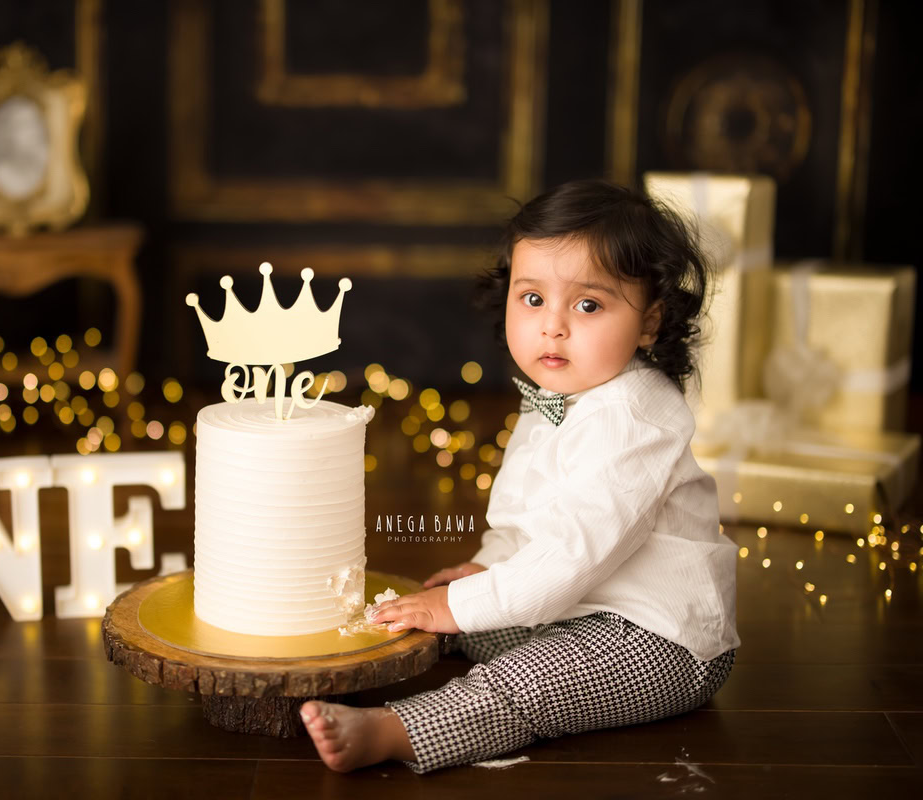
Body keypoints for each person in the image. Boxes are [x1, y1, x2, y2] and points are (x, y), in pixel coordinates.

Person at [301, 179, 740, 774]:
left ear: (648, 323)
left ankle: (397, 731)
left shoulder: (633, 418)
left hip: (658, 638)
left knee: (526, 679)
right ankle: (369, 659)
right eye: (532, 299)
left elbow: (570, 556)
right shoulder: (555, 396)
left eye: (589, 305)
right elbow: (524, 515)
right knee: (456, 621)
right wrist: (486, 568)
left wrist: (459, 604)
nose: (553, 327)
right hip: (576, 606)